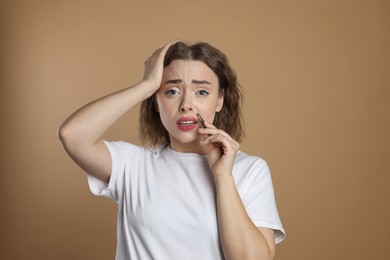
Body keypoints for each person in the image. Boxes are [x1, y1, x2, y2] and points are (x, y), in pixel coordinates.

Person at [58, 40, 286, 260]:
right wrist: (146, 85)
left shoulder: (251, 170)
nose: (186, 104)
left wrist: (223, 177)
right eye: (172, 91)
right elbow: (73, 135)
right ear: (156, 102)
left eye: (202, 92)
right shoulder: (132, 164)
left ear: (220, 100)